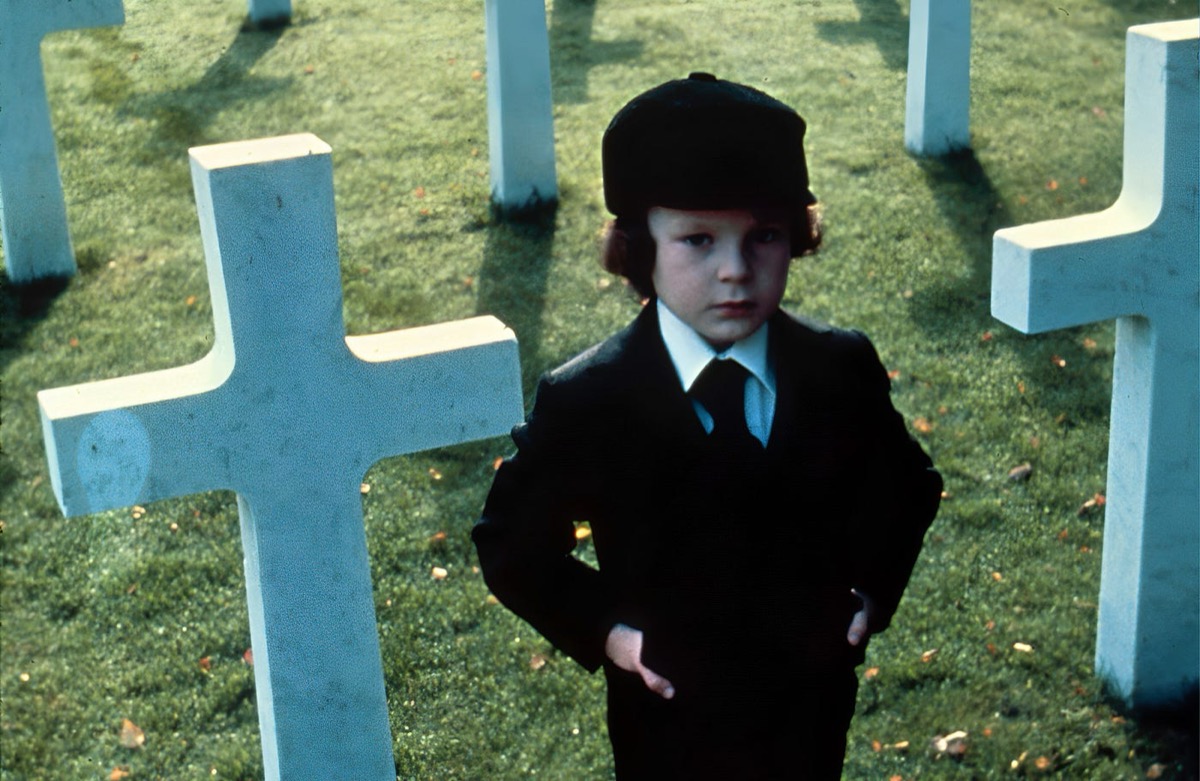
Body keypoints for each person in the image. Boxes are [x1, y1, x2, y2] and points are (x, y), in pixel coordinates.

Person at [472, 72, 943, 780]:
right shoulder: (590, 398)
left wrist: (870, 593)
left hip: (807, 707)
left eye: (764, 236)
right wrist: (608, 630)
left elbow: (907, 485)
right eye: (698, 239)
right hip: (668, 718)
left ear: (798, 239)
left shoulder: (836, 367)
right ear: (640, 250)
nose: (735, 270)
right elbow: (509, 541)